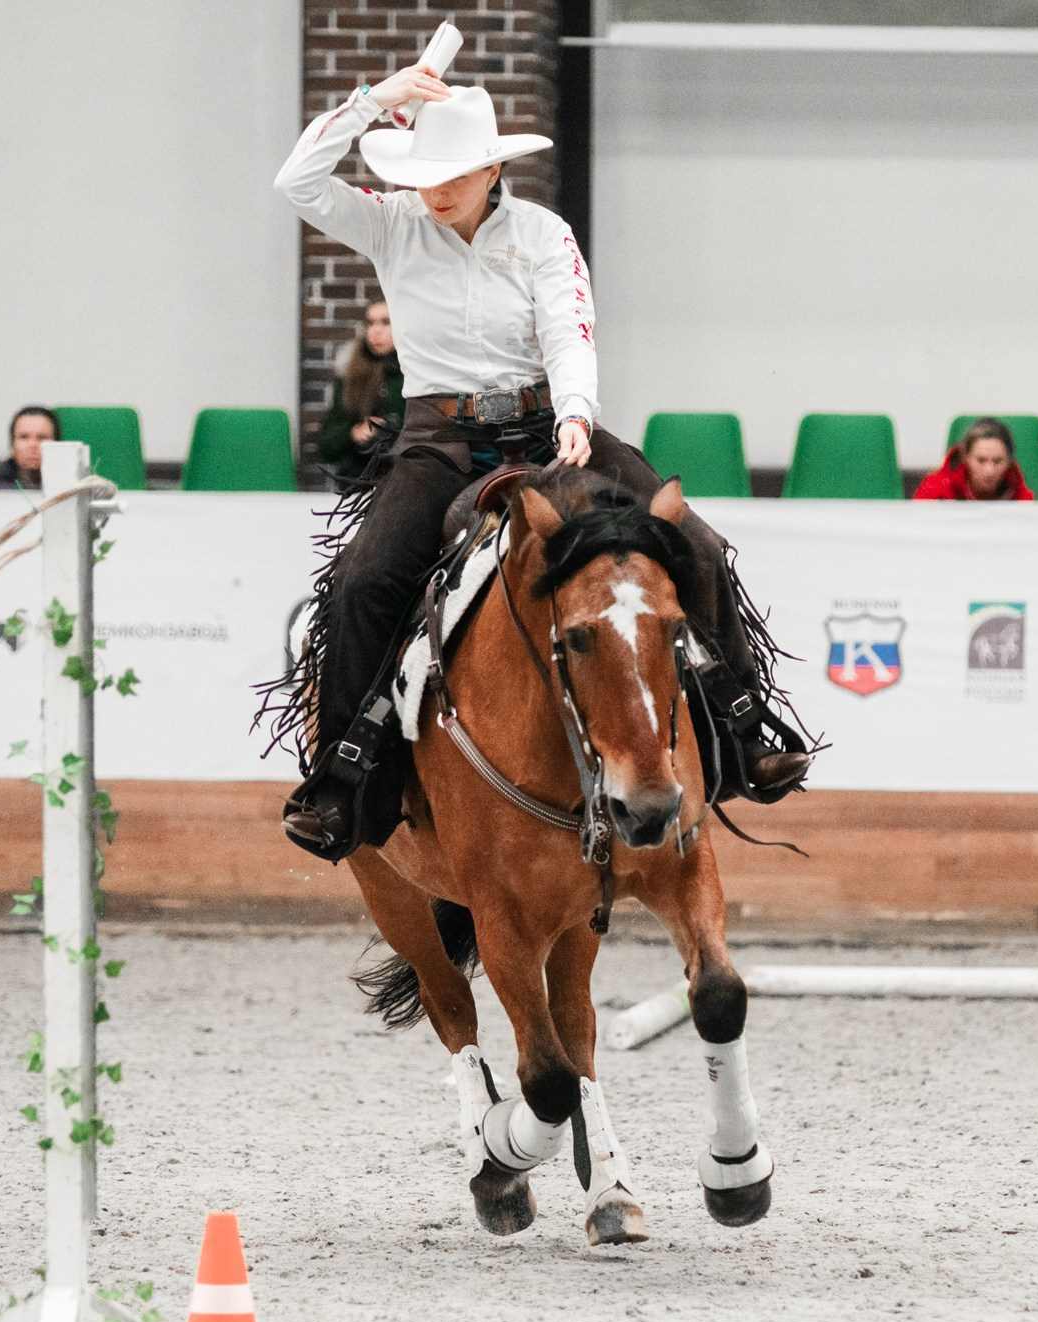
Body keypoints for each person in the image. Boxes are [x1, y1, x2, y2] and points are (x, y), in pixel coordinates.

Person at [270, 63, 810, 860]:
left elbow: (568, 330)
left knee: (696, 545)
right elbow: (298, 180)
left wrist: (576, 415)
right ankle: (347, 778)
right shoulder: (390, 223)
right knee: (364, 580)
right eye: (426, 175)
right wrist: (375, 103)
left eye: (455, 174)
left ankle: (741, 723)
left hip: (549, 427)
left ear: (494, 169)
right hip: (435, 443)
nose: (437, 191)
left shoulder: (544, 235)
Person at [316, 299, 404, 482]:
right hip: (358, 477)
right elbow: (326, 445)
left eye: (386, 322)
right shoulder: (351, 375)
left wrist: (391, 429)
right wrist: (355, 432)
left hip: (403, 475)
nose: (376, 331)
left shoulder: (412, 376)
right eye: (370, 323)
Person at [913, 418, 1034, 500]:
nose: (989, 471)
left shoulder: (1020, 496)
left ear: (1009, 461)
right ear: (966, 457)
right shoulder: (934, 491)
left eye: (998, 461)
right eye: (981, 460)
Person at [0, 407, 59, 490]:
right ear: (12, 445)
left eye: (42, 437)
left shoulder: (71, 487)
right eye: (24, 437)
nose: (32, 445)